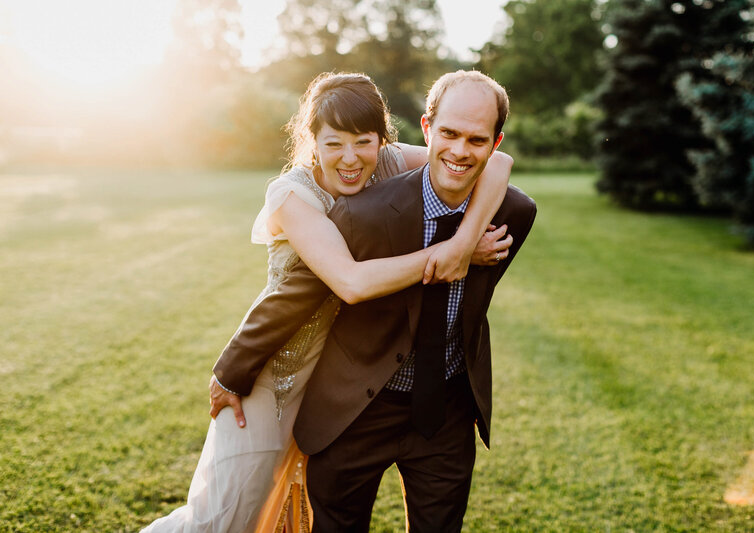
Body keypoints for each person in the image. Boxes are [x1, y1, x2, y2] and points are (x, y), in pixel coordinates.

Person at [142, 72, 513, 533]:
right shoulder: (293, 196)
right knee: (227, 513)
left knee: (288, 510)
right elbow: (350, 283)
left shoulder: (386, 162)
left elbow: (498, 163)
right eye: (334, 143)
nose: (351, 158)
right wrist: (452, 253)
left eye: (364, 141)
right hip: (274, 373)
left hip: (335, 377)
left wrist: (465, 239)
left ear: (383, 140)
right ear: (311, 140)